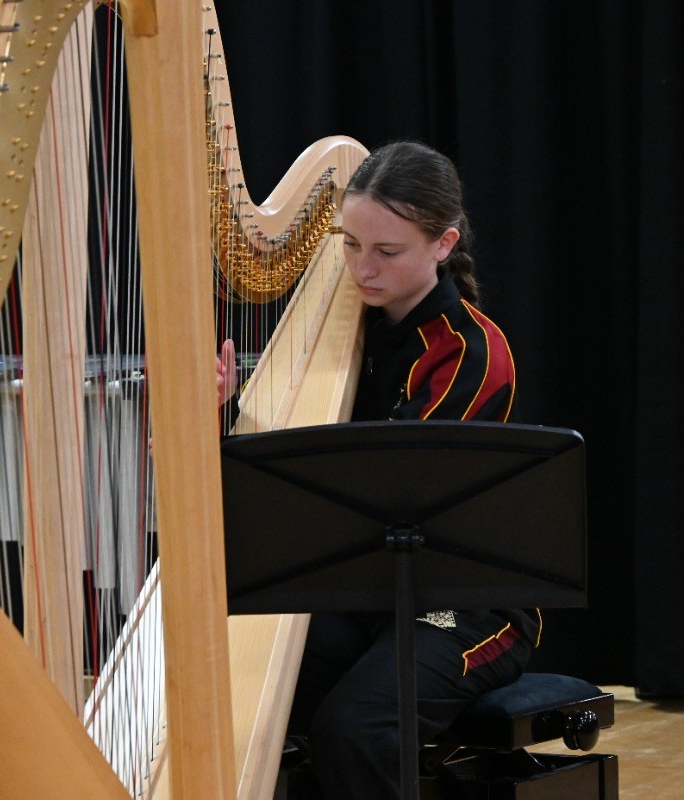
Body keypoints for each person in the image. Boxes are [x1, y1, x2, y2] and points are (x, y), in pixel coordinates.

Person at [218, 141, 537, 798]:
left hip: (468, 605)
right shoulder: (341, 334)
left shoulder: (468, 354)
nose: (362, 268)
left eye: (387, 252)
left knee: (357, 727)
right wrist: (220, 414)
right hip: (363, 593)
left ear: (444, 244)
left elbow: (391, 497)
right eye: (350, 243)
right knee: (226, 686)